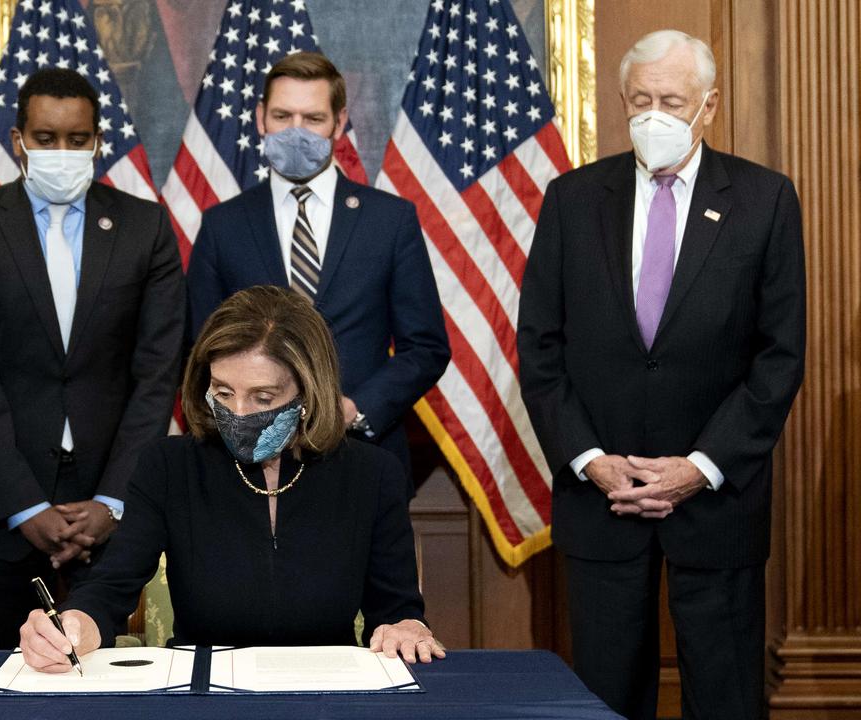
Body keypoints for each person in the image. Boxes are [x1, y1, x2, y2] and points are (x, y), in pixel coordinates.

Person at [517, 29, 805, 720]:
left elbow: (779, 355)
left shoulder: (764, 200)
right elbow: (540, 347)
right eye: (639, 99)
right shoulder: (572, 198)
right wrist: (591, 460)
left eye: (672, 100)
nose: (654, 114)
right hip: (602, 500)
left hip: (715, 499)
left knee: (727, 694)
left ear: (709, 106)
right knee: (606, 696)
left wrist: (701, 465)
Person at [19, 286, 445, 670]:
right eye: (223, 392)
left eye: (263, 397)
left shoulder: (372, 474)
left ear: (308, 392)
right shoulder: (169, 465)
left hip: (325, 690)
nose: (239, 413)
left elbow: (396, 607)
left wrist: (407, 627)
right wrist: (75, 625)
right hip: (199, 690)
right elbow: (112, 587)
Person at [0, 68, 185, 650]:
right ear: (19, 140)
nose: (61, 152)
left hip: (111, 512)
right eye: (46, 139)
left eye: (77, 140)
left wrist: (113, 501)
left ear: (98, 141)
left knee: (102, 691)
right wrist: (25, 506)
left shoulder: (145, 228)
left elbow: (157, 375)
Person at [185, 52, 451, 494]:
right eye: (282, 115)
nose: (296, 131)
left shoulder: (390, 220)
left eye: (312, 118)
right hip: (250, 463)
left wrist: (351, 409)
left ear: (339, 122)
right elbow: (199, 347)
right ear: (260, 119)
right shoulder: (222, 225)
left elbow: (424, 346)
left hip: (364, 457)